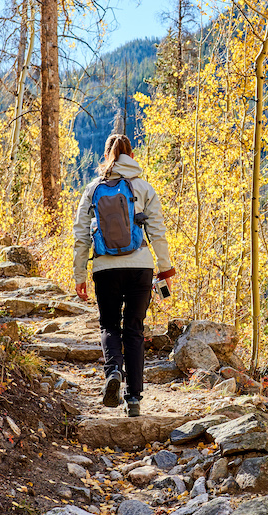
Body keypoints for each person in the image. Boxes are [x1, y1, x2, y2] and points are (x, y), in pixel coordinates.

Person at [72, 134, 175, 417]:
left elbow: (81, 236)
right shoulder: (143, 187)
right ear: (132, 154)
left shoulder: (93, 189)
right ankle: (133, 400)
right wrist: (165, 268)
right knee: (134, 330)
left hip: (105, 269)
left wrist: (80, 273)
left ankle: (113, 370)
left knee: (108, 326)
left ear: (107, 156)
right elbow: (157, 231)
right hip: (140, 267)